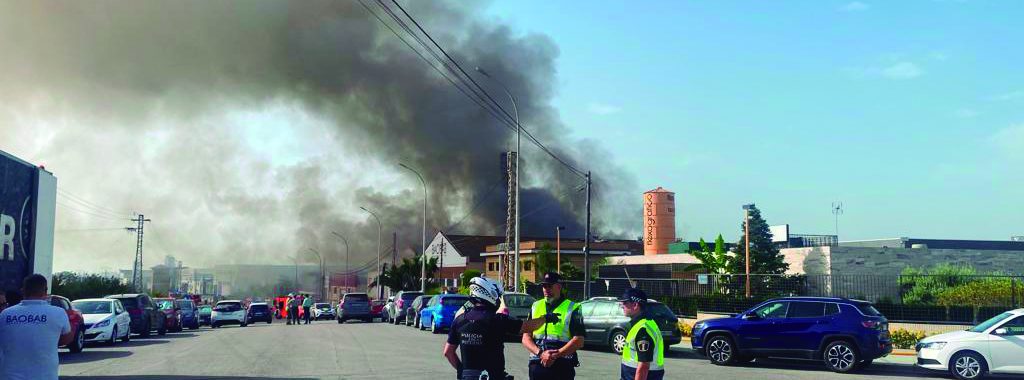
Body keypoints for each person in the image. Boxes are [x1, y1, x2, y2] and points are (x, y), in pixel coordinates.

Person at [443, 276, 561, 380]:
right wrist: (545, 318)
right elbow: (527, 326)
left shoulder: (459, 320)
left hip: (467, 375)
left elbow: (448, 352)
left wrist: (461, 370)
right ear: (491, 294)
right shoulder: (496, 319)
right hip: (493, 375)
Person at [0, 274, 75, 380]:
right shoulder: (58, 313)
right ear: (45, 291)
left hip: (10, 376)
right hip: (44, 376)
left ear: (23, 290)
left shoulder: (5, 314)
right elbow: (66, 339)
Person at [521, 272, 585, 380]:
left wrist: (555, 355)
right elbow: (525, 337)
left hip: (561, 367)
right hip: (538, 365)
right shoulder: (536, 306)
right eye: (543, 286)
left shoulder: (573, 307)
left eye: (549, 286)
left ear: (559, 287)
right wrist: (541, 354)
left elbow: (579, 340)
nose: (546, 289)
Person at [618, 288, 665, 380]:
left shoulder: (643, 330)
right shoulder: (642, 324)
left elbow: (643, 366)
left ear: (635, 305)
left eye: (625, 303)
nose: (622, 306)